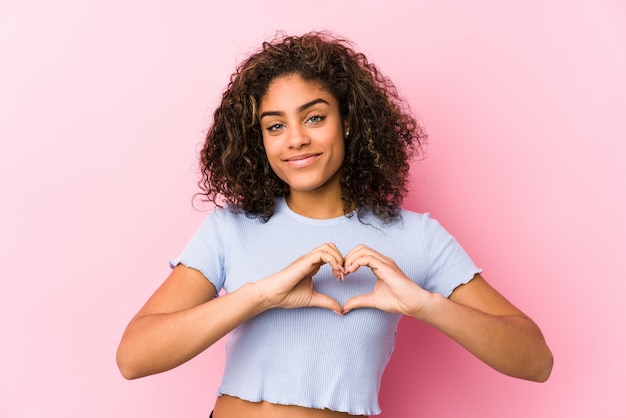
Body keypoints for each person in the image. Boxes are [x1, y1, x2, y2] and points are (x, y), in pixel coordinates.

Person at [116, 32, 553, 417]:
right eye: (275, 126)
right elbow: (133, 357)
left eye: (314, 117)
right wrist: (260, 295)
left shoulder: (415, 236)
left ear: (348, 121)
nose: (296, 139)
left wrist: (424, 305)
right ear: (259, 140)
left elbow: (536, 361)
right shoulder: (230, 229)